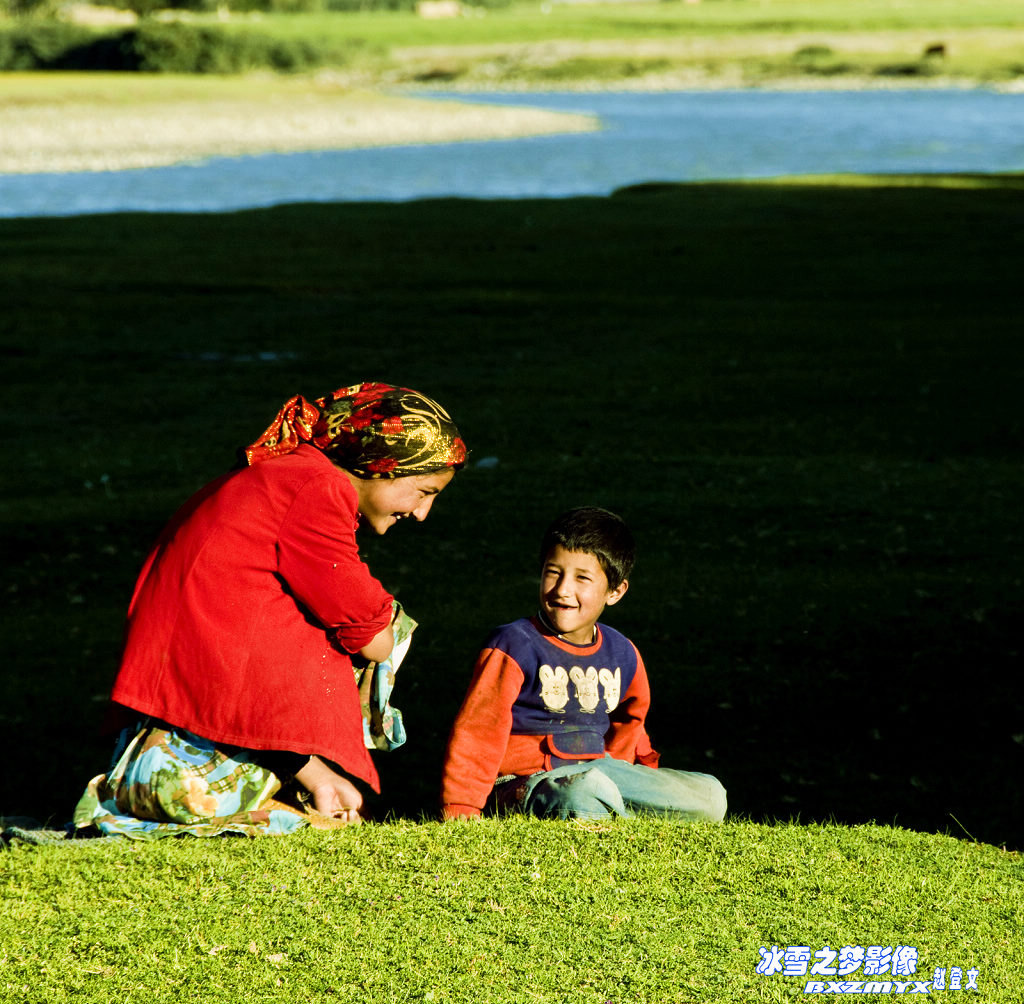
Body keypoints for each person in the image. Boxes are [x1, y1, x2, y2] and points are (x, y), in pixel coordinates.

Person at [74, 382, 466, 839]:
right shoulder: (319, 488)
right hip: (211, 661)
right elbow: (364, 624)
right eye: (423, 491)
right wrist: (384, 637)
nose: (423, 513)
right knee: (390, 628)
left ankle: (299, 781)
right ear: (382, 465)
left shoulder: (292, 473)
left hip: (192, 664)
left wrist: (318, 774)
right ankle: (271, 801)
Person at [440, 506, 726, 822]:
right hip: (527, 782)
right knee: (581, 793)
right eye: (553, 572)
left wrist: (638, 777)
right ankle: (615, 814)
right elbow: (479, 728)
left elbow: (630, 720)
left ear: (615, 592)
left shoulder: (622, 652)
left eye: (582, 578)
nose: (563, 589)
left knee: (710, 795)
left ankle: (611, 807)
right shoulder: (513, 644)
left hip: (600, 770)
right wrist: (463, 805)